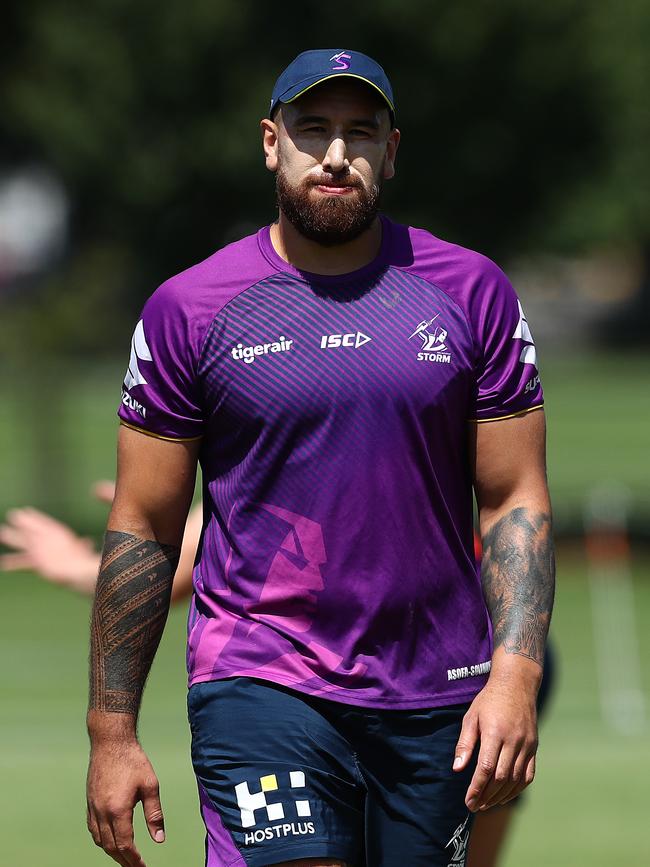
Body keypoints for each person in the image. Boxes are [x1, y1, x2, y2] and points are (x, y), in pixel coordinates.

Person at [81, 48, 554, 867]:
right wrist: (111, 731)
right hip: (260, 675)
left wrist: (514, 678)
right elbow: (146, 522)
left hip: (436, 691)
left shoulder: (472, 291)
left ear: (392, 151)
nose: (336, 154)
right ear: (272, 142)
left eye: (360, 133)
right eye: (314, 130)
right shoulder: (190, 308)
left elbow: (514, 496)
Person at [1, 502, 556, 867]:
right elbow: (231, 526)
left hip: (472, 663)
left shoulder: (434, 371)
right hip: (306, 673)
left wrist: (87, 565)